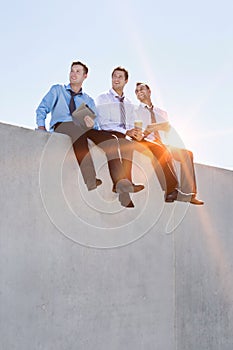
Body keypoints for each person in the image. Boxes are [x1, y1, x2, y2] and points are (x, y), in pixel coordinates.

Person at [36, 61, 136, 208]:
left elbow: (94, 124)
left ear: (85, 76)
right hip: (63, 125)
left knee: (111, 139)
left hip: (84, 128)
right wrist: (41, 127)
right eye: (72, 71)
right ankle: (90, 178)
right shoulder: (57, 90)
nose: (73, 74)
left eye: (77, 71)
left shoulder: (88, 100)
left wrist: (91, 124)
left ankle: (120, 183)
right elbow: (42, 108)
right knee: (77, 130)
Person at [96, 66, 179, 201]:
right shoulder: (103, 98)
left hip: (128, 134)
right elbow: (103, 123)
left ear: (126, 81)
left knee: (158, 148)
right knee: (125, 143)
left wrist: (136, 133)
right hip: (111, 133)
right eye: (114, 76)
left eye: (120, 77)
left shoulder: (129, 103)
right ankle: (124, 182)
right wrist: (126, 131)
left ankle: (172, 189)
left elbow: (131, 123)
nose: (116, 79)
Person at [134, 82, 204, 205]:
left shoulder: (162, 112)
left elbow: (167, 129)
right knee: (161, 151)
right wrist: (146, 131)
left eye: (142, 89)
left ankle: (188, 194)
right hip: (146, 142)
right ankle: (171, 191)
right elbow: (136, 130)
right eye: (136, 91)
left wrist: (157, 127)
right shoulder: (135, 111)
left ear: (149, 92)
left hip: (163, 142)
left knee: (187, 154)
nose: (139, 92)